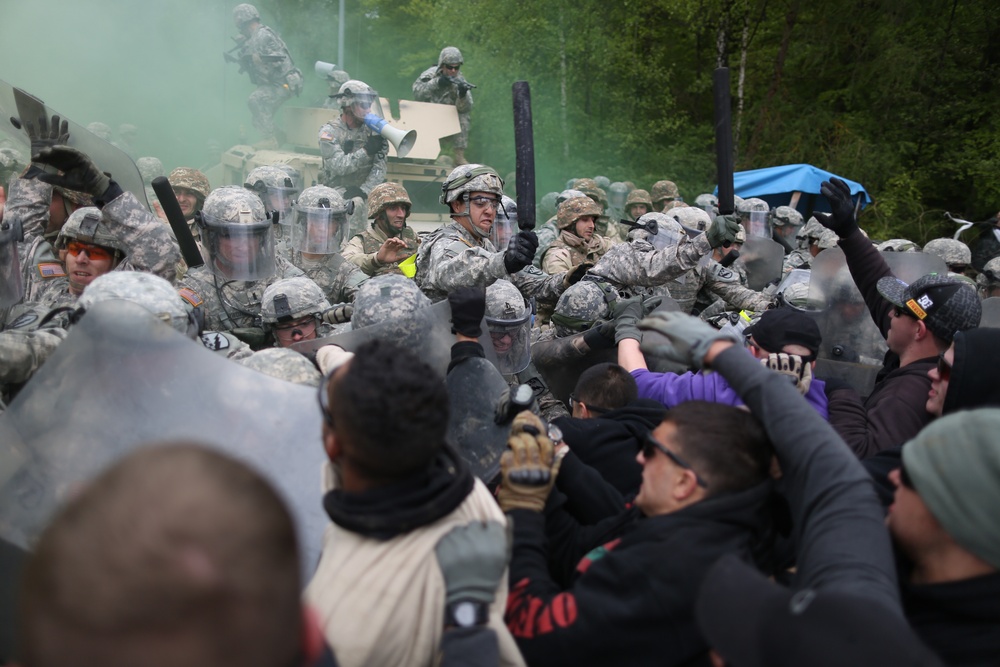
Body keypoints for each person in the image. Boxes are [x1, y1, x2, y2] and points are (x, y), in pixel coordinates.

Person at [629, 311, 936, 667]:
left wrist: (632, 335)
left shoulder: (711, 387)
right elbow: (835, 475)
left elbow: (638, 382)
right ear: (814, 362)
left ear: (754, 351)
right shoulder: (833, 402)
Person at [304, 339, 526, 667]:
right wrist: (327, 351)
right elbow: (370, 381)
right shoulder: (469, 497)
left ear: (332, 444)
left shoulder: (336, 623)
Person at [500, 400, 774, 665]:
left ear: (683, 483)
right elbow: (577, 551)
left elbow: (534, 636)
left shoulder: (667, 570)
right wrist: (540, 486)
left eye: (652, 450)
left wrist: (521, 510)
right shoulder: (668, 515)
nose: (639, 457)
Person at [813, 177, 981, 457]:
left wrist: (842, 394)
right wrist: (850, 233)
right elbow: (879, 288)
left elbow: (860, 458)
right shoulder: (929, 362)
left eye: (900, 310)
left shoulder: (909, 394)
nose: (889, 311)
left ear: (919, 331)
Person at [10, 144, 179, 310]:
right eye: (75, 249)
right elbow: (18, 237)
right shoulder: (45, 292)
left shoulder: (122, 306)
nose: (81, 259)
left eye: (96, 253)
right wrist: (39, 171)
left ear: (119, 262)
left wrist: (108, 192)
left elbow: (159, 258)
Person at [414, 164, 583, 305]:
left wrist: (568, 280)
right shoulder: (444, 241)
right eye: (480, 203)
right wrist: (505, 261)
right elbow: (451, 273)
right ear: (457, 205)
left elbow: (529, 283)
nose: (490, 211)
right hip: (445, 340)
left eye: (494, 204)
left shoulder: (485, 244)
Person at [177, 186, 312, 334]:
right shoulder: (196, 288)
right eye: (231, 235)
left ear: (261, 238)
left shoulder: (281, 271)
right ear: (213, 238)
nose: (243, 245)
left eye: (252, 234)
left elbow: (318, 313)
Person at [317, 79, 388, 242]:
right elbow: (338, 166)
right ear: (348, 105)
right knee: (356, 204)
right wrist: (366, 151)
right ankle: (351, 247)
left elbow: (380, 167)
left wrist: (364, 190)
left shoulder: (374, 131)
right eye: (363, 105)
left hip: (365, 191)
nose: (368, 109)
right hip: (335, 189)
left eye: (370, 104)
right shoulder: (329, 132)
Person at [230, 3, 303, 148]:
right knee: (258, 118)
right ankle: (279, 136)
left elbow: (276, 59)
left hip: (283, 82)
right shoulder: (257, 36)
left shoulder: (262, 35)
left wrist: (258, 58)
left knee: (255, 100)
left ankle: (270, 139)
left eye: (241, 27)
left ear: (243, 22)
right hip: (279, 82)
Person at [282, 185, 367, 307]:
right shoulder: (280, 258)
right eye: (316, 220)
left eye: (330, 221)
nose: (323, 228)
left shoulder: (343, 270)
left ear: (338, 226)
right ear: (303, 222)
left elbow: (368, 296)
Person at [342, 181, 419, 276]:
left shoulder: (412, 237)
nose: (401, 214)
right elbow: (345, 262)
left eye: (403, 208)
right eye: (393, 208)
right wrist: (376, 259)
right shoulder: (361, 241)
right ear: (378, 213)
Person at [413, 47, 474, 165]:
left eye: (456, 67)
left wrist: (462, 95)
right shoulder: (430, 75)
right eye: (450, 67)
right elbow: (417, 93)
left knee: (463, 116)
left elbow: (466, 108)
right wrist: (437, 83)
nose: (453, 70)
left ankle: (459, 156)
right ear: (442, 65)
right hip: (427, 121)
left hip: (448, 122)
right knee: (421, 161)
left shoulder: (459, 80)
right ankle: (424, 156)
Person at [541, 196, 614, 274]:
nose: (592, 225)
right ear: (570, 223)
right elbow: (561, 284)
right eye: (585, 220)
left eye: (592, 220)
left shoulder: (600, 244)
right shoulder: (557, 255)